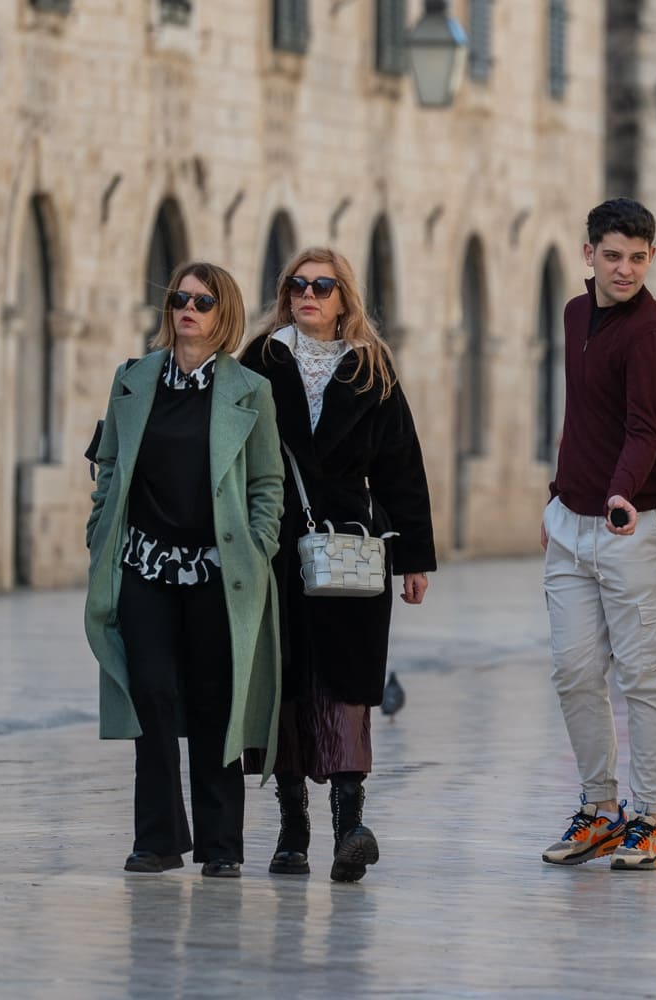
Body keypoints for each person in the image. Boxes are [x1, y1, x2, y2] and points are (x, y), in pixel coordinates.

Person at [240, 247, 435, 883]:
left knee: (347, 684)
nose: (309, 295)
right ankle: (292, 829)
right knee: (288, 681)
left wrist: (414, 558)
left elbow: (402, 463)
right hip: (276, 541)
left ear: (344, 297)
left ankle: (350, 826)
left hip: (352, 541)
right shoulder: (261, 359)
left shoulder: (372, 366)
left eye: (323, 286)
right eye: (297, 285)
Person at [85, 262, 285, 878]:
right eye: (179, 298)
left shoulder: (250, 390)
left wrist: (256, 545)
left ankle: (221, 846)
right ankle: (158, 839)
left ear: (224, 314)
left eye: (201, 301)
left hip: (217, 573)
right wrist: (99, 531)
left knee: (213, 703)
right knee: (151, 694)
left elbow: (267, 482)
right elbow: (109, 467)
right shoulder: (133, 379)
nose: (187, 310)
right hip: (144, 565)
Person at [540, 198, 656, 872]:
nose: (624, 269)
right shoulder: (575, 314)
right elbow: (582, 416)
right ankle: (599, 809)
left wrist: (620, 493)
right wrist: (560, 492)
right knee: (573, 672)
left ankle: (647, 819)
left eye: (637, 257)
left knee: (641, 677)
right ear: (589, 254)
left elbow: (643, 430)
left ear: (651, 258)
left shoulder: (653, 334)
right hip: (572, 521)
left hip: (638, 526)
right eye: (612, 256)